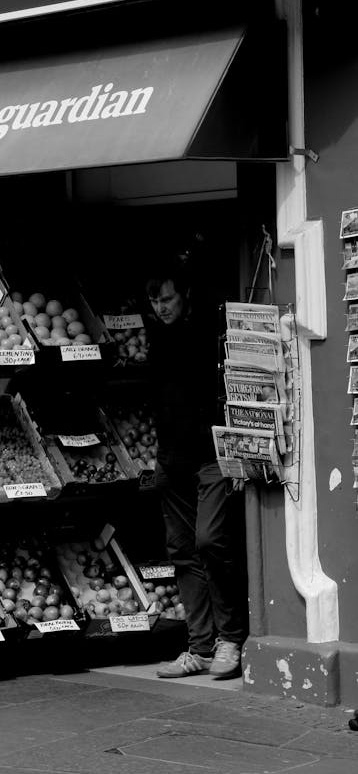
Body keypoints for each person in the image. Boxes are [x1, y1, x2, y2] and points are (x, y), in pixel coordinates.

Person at [144, 260, 248, 680]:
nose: (161, 307)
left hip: (212, 457)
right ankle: (200, 647)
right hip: (172, 460)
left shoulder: (208, 333)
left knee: (211, 541)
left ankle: (230, 638)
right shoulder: (156, 340)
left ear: (183, 295)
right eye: (154, 301)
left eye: (166, 298)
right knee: (183, 552)